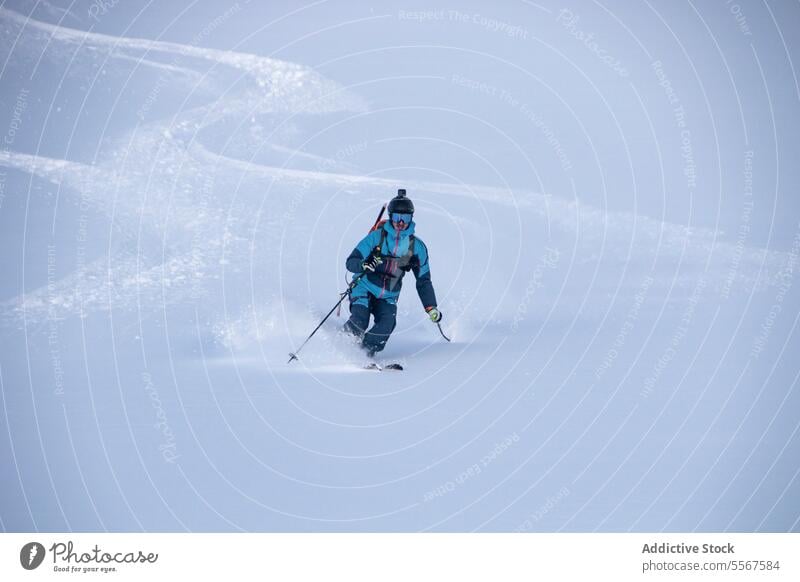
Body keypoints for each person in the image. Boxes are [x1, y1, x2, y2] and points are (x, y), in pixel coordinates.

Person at [343, 189, 441, 356]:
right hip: (364, 287)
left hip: (388, 295)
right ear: (390, 217)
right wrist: (364, 264)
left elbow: (423, 281)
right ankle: (343, 346)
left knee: (387, 324)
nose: (400, 223)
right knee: (360, 319)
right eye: (396, 217)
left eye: (405, 218)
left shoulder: (416, 248)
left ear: (411, 218)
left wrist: (431, 306)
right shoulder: (376, 237)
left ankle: (363, 355)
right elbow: (351, 262)